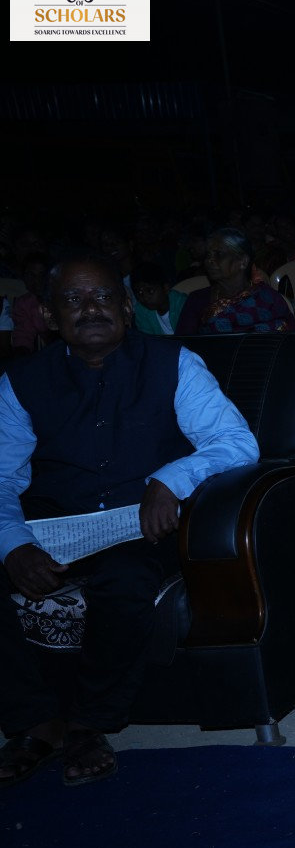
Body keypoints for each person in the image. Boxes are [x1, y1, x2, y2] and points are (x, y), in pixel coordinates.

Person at [0, 256, 258, 786]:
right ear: (48, 315)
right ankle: (34, 720)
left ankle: (88, 723)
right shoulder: (21, 381)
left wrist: (171, 479)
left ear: (125, 307)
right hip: (52, 524)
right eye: (73, 300)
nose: (91, 309)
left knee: (126, 578)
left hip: (137, 525)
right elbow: (1, 477)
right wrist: (13, 544)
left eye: (103, 297)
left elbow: (235, 441)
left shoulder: (173, 363)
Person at [177, 229, 295, 335]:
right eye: (208, 255)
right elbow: (183, 346)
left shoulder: (268, 298)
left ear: (243, 261)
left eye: (219, 254)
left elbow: (289, 339)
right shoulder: (198, 300)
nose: (210, 260)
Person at [129, 261, 183, 337]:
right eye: (140, 293)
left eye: (150, 291)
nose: (145, 297)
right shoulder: (141, 310)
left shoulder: (183, 304)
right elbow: (148, 340)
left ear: (166, 288)